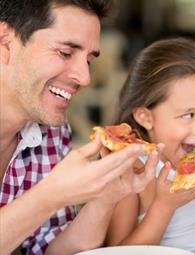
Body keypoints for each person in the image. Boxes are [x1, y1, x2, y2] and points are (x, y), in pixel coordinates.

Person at [0, 1, 161, 254]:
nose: (85, 78)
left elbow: (52, 249)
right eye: (65, 53)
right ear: (5, 42)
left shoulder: (50, 130)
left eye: (88, 60)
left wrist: (105, 197)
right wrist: (52, 194)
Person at [105, 38, 195, 252]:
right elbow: (116, 252)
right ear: (145, 117)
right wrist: (164, 206)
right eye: (188, 115)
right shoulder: (132, 169)